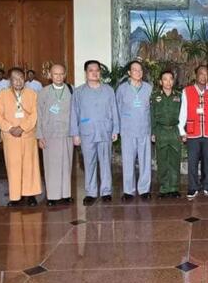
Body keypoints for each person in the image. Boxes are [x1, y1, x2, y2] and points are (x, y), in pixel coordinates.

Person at [70, 60, 119, 206]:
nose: (94, 73)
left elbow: (114, 110)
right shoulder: (79, 92)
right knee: (89, 163)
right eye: (91, 70)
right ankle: (91, 192)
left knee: (105, 162)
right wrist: (75, 134)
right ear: (86, 73)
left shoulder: (108, 90)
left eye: (97, 70)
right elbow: (74, 113)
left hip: (105, 131)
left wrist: (115, 129)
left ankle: (106, 192)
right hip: (87, 132)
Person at [0, 67, 41, 207]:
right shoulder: (2, 95)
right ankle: (15, 196)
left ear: (24, 79)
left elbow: (35, 114)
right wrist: (10, 128)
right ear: (10, 80)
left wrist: (22, 128)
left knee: (30, 165)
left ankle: (31, 195)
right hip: (11, 137)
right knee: (13, 166)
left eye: (21, 78)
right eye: (15, 79)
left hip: (28, 135)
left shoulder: (32, 94)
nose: (18, 81)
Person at [178, 65, 208, 200]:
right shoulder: (187, 91)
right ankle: (193, 187)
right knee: (192, 161)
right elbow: (183, 111)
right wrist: (182, 130)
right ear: (196, 75)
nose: (203, 76)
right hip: (193, 132)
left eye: (206, 74)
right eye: (201, 74)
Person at [36, 64, 74, 206]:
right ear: (50, 75)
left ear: (65, 75)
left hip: (67, 133)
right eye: (55, 74)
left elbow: (76, 112)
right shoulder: (43, 92)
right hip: (49, 134)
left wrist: (76, 132)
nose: (58, 77)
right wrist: (40, 136)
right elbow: (39, 114)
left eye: (61, 74)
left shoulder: (71, 90)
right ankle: (52, 196)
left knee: (66, 164)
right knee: (51, 166)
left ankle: (66, 194)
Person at [116, 60, 153, 200]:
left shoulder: (148, 88)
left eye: (140, 70)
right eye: (135, 70)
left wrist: (152, 131)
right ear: (129, 73)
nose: (138, 72)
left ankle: (144, 190)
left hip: (144, 130)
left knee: (145, 161)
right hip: (128, 130)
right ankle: (128, 190)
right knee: (128, 161)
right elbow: (117, 109)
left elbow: (152, 110)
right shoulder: (122, 89)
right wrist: (117, 129)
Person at [151, 70, 183, 198]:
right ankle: (164, 188)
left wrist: (183, 132)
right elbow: (152, 115)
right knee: (162, 160)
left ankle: (174, 187)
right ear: (160, 82)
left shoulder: (179, 96)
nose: (168, 82)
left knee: (175, 160)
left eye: (170, 79)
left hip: (175, 130)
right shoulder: (155, 97)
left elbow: (183, 115)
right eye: (165, 79)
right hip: (161, 130)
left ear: (173, 81)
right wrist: (153, 132)